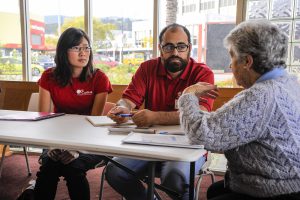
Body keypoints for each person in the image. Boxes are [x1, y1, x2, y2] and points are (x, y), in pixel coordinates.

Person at [178, 19, 300, 200]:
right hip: (287, 179)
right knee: (214, 190)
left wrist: (188, 94)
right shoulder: (289, 82)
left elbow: (201, 133)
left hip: (278, 188)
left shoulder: (261, 95)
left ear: (247, 61)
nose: (230, 65)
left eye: (232, 56)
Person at [105, 23, 215, 200]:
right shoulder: (147, 68)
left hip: (188, 143)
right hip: (149, 142)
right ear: (160, 48)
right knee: (116, 172)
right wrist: (121, 108)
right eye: (169, 46)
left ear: (189, 48)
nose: (175, 52)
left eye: (181, 46)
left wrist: (155, 117)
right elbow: (128, 100)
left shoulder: (202, 74)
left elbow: (199, 114)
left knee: (175, 176)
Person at [34, 27, 112, 200]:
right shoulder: (48, 77)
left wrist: (77, 149)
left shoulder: (99, 78)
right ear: (63, 51)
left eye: (86, 48)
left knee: (73, 167)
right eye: (76, 48)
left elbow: (95, 122)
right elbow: (44, 118)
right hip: (57, 138)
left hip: (91, 140)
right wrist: (51, 145)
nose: (83, 53)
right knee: (49, 166)